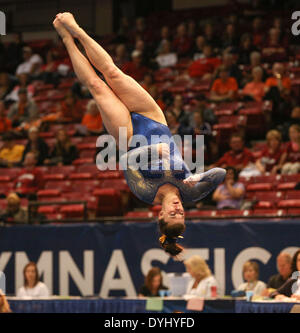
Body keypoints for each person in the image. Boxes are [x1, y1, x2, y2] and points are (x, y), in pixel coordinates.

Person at [53, 13, 225, 258]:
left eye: (173, 214)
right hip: (154, 120)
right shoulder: (191, 192)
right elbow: (222, 174)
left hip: (129, 137)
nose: (178, 209)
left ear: (161, 214)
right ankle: (76, 30)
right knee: (112, 73)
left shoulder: (145, 191)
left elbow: (125, 161)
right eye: (182, 213)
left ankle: (67, 40)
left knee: (98, 86)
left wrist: (151, 151)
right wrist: (200, 177)